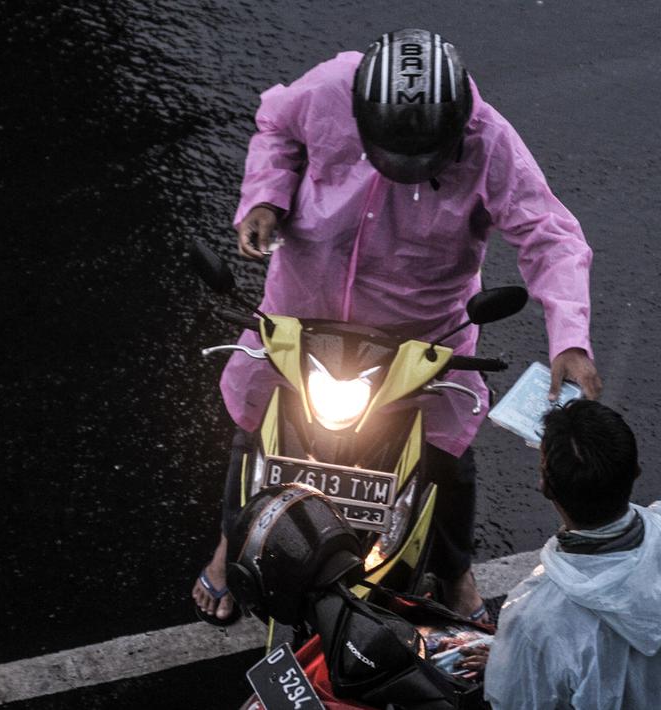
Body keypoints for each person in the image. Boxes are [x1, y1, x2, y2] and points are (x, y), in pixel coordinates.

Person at [192, 28, 602, 625]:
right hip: (300, 312)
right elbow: (276, 129)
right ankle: (231, 545)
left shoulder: (489, 142)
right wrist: (264, 198)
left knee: (445, 456)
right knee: (257, 430)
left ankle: (456, 573)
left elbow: (550, 236)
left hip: (421, 338)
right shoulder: (330, 87)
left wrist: (570, 339)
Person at [459, 400, 661, 708]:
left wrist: (516, 659)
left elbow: (523, 698)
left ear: (545, 486)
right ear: (636, 472)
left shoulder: (534, 619)